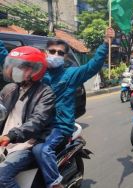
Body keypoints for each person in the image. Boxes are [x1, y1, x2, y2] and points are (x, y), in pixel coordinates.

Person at [26, 28, 115, 188]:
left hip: (60, 126)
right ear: (45, 53)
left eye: (60, 53)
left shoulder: (70, 74)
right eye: (52, 51)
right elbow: (11, 62)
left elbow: (91, 67)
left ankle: (55, 184)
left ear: (65, 57)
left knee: (42, 150)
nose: (55, 55)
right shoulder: (39, 74)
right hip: (38, 124)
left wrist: (105, 43)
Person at [0, 46, 56, 188]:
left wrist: (10, 136)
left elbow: (37, 121)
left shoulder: (45, 93)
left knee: (2, 177)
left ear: (36, 70)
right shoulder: (9, 89)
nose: (15, 70)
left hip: (26, 145)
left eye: (22, 67)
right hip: (4, 142)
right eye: (14, 65)